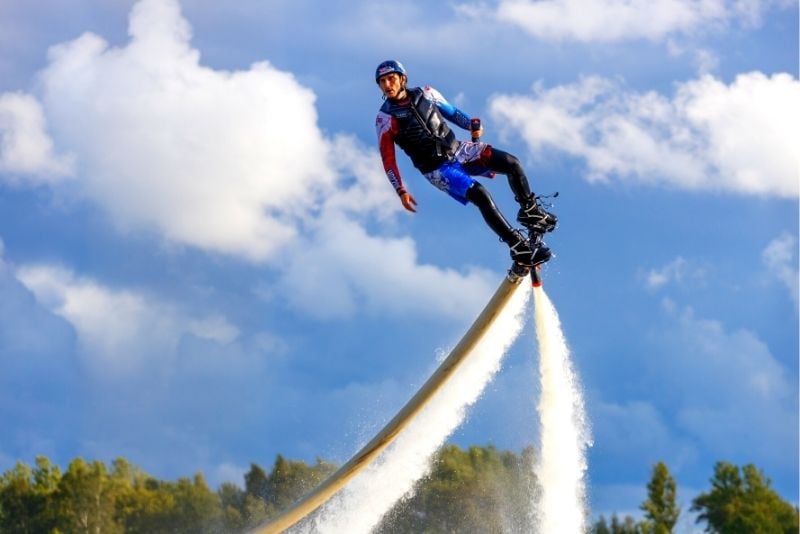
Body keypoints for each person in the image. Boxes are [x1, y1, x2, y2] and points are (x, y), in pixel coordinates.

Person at [374, 60, 556, 267]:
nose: (387, 85)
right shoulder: (385, 119)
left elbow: (453, 113)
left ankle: (530, 210)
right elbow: (388, 160)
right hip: (438, 169)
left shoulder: (426, 93)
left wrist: (472, 124)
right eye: (382, 82)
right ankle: (519, 247)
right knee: (481, 196)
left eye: (391, 79)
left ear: (402, 79)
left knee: (511, 163)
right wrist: (400, 190)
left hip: (459, 150)